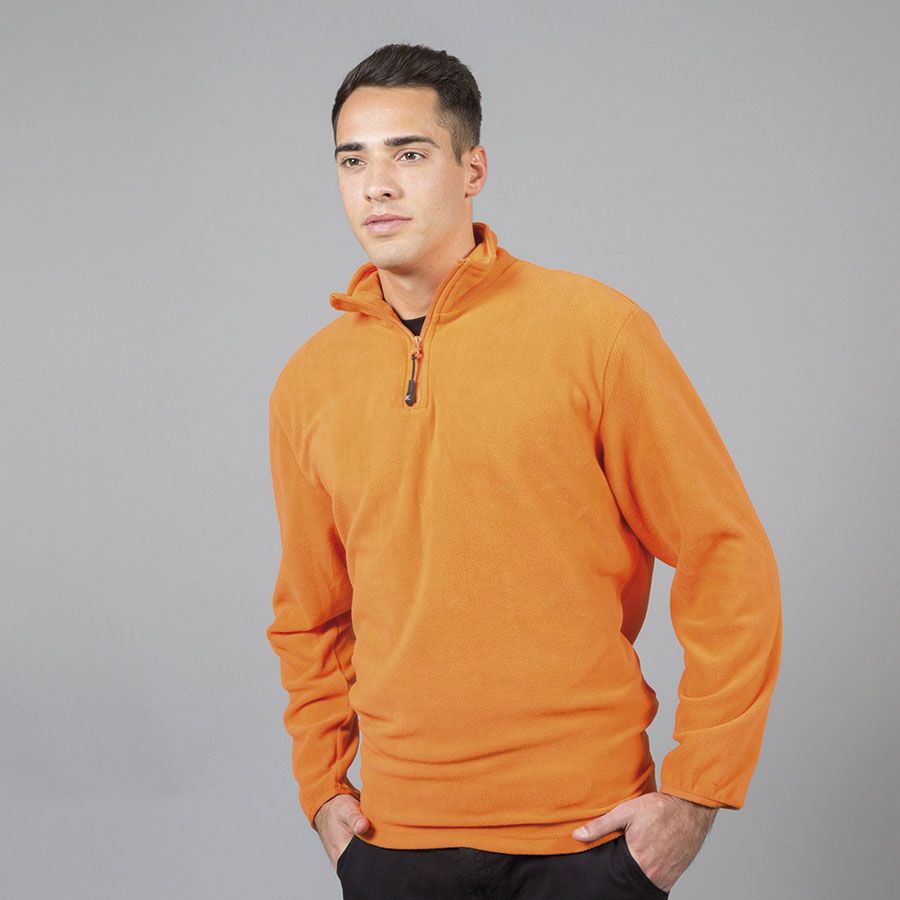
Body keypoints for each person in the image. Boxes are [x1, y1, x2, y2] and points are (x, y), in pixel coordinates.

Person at [265, 42, 782, 899]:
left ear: (473, 169)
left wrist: (697, 792)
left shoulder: (595, 333)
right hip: (395, 844)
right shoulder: (309, 382)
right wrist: (322, 791)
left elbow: (726, 555)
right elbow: (309, 615)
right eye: (353, 160)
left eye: (409, 154)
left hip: (587, 840)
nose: (377, 185)